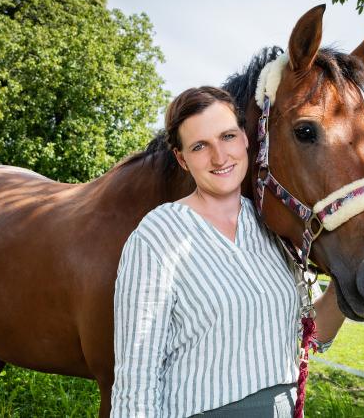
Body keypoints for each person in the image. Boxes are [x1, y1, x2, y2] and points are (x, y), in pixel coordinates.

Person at [111, 86, 345, 417]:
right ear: (182, 159)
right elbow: (136, 377)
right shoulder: (158, 235)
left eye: (228, 136)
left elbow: (313, 335)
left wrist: (344, 285)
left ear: (246, 139)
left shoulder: (273, 224)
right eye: (199, 146)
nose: (219, 157)